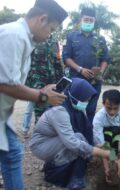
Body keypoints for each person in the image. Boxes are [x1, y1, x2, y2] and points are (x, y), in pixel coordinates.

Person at [0, 0, 67, 189]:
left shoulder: (24, 39)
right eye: (51, 29)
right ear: (42, 19)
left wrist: (44, 91)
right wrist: (43, 96)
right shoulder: (15, 35)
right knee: (12, 153)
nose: (50, 35)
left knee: (12, 153)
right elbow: (5, 84)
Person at [29, 78, 111, 189]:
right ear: (75, 95)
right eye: (85, 99)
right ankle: (65, 176)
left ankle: (65, 166)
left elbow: (87, 129)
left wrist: (95, 146)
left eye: (88, 100)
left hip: (54, 141)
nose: (86, 103)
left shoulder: (75, 107)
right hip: (41, 145)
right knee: (78, 141)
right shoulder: (59, 110)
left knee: (81, 142)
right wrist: (102, 153)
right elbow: (73, 143)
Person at [63, 7, 110, 123]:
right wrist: (80, 69)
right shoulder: (71, 37)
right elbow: (66, 57)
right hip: (77, 80)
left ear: (94, 22)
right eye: (86, 19)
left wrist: (100, 72)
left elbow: (105, 58)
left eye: (91, 20)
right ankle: (75, 133)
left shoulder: (100, 39)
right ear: (80, 20)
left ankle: (89, 133)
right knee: (74, 108)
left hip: (95, 82)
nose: (88, 22)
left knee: (91, 110)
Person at [22, 34, 64, 137]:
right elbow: (25, 61)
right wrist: (27, 83)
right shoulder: (33, 38)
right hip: (37, 81)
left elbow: (57, 61)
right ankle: (40, 136)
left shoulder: (54, 40)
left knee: (53, 108)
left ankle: (49, 133)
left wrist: (61, 81)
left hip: (52, 80)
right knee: (39, 109)